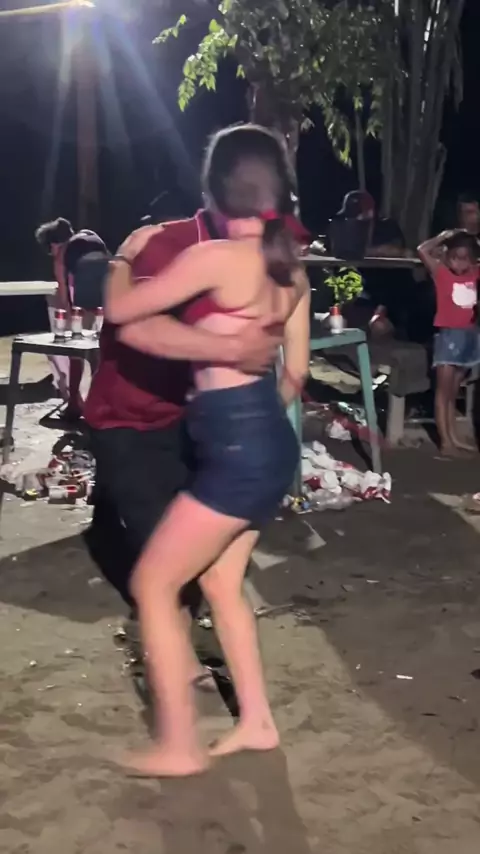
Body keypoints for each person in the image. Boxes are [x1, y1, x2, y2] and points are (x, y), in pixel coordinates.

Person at [104, 124, 310, 777]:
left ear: (216, 191)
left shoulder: (216, 257)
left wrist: (122, 257)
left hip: (239, 451)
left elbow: (122, 313)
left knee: (154, 582)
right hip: (270, 441)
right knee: (220, 581)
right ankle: (257, 723)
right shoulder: (288, 267)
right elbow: (294, 370)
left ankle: (179, 746)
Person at [35, 217, 108, 420]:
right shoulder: (92, 237)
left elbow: (64, 288)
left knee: (76, 350)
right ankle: (99, 401)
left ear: (53, 244)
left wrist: (68, 316)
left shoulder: (63, 253)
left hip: (85, 297)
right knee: (97, 349)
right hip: (107, 297)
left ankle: (75, 403)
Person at [418, 229, 480, 455]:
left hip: (469, 336)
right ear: (447, 255)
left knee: (454, 392)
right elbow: (422, 250)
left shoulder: (475, 273)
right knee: (443, 393)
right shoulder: (441, 273)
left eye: (465, 258)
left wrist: (473, 240)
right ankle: (445, 441)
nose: (459, 263)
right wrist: (444, 236)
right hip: (448, 337)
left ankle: (453, 437)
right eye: (454, 257)